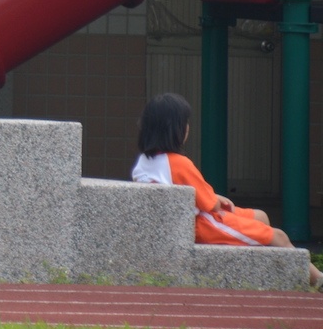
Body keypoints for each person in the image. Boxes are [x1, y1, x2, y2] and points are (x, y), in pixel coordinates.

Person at [132, 92, 323, 288]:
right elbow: (209, 204)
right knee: (279, 236)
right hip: (201, 224)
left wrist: (213, 198)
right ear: (175, 128)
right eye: (185, 122)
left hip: (184, 222)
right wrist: (216, 198)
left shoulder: (146, 161)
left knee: (261, 217)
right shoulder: (179, 163)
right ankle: (318, 279)